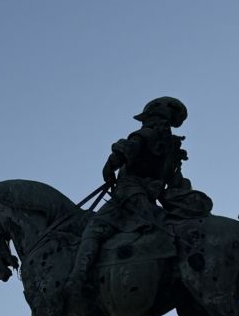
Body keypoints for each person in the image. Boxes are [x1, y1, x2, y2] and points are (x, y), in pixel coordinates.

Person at [70, 96, 189, 290]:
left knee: (94, 229)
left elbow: (124, 151)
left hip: (127, 196)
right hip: (149, 201)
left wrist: (108, 169)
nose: (143, 121)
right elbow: (176, 184)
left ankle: (78, 278)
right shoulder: (173, 149)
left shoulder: (145, 134)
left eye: (145, 118)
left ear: (152, 117)